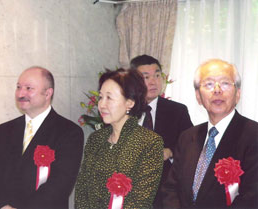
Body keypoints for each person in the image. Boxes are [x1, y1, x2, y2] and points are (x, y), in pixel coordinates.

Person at [0, 66, 84, 209]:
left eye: (29, 88)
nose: (21, 93)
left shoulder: (69, 132)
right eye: (18, 87)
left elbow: (61, 184)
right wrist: (1, 205)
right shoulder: (4, 130)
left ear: (47, 93)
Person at [162, 59, 258, 208]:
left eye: (225, 83)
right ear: (198, 97)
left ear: (238, 93)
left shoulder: (253, 135)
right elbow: (171, 189)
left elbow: (252, 197)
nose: (217, 90)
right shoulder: (187, 137)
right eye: (209, 84)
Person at [75, 68, 164, 209]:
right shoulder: (96, 139)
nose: (102, 105)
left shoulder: (149, 143)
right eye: (101, 97)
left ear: (130, 102)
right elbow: (82, 190)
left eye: (109, 98)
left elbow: (140, 201)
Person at [130, 54, 193, 208]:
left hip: (167, 193)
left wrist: (171, 152)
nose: (153, 81)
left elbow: (192, 148)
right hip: (129, 190)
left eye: (157, 75)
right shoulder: (125, 110)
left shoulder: (177, 111)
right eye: (146, 77)